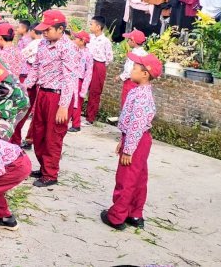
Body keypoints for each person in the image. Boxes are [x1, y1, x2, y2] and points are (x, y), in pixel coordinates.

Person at [101, 53, 161, 231]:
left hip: (137, 140)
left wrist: (128, 149)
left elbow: (136, 125)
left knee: (126, 178)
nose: (131, 70)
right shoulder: (139, 91)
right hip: (137, 139)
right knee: (139, 177)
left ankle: (117, 216)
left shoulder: (141, 96)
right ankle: (135, 213)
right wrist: (123, 139)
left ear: (145, 74)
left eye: (134, 68)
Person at [22, 10, 77, 187]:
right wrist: (25, 87)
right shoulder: (43, 44)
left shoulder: (68, 48)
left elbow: (70, 78)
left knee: (53, 136)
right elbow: (36, 68)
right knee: (38, 132)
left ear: (60, 29)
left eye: (48, 29)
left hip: (58, 96)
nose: (44, 33)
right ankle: (44, 166)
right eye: (43, 30)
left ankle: (50, 174)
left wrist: (63, 105)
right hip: (43, 93)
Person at [11, 27, 44, 149]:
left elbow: (22, 55)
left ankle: (17, 140)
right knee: (34, 113)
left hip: (28, 78)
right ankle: (29, 139)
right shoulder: (43, 44)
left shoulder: (36, 43)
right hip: (38, 82)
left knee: (21, 110)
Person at [86, 15, 113, 125]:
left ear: (98, 26)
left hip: (98, 65)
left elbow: (109, 57)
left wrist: (100, 65)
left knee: (95, 92)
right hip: (88, 63)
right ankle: (76, 114)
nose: (90, 26)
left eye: (91, 24)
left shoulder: (105, 41)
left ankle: (90, 117)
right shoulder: (89, 38)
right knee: (81, 87)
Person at [69, 31, 94, 133]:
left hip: (79, 80)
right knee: (68, 101)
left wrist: (84, 88)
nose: (74, 40)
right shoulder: (73, 50)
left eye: (76, 38)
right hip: (70, 78)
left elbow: (89, 72)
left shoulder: (88, 54)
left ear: (82, 41)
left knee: (77, 103)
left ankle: (76, 124)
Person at [119, 29, 147, 108]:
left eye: (129, 39)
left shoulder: (134, 54)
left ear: (133, 41)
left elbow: (129, 70)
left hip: (130, 81)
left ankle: (125, 120)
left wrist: (120, 77)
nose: (127, 41)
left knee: (126, 103)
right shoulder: (145, 53)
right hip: (140, 82)